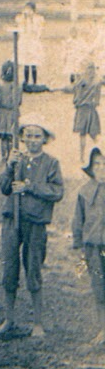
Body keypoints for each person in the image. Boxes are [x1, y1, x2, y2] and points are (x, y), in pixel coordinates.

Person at [0, 122, 63, 338]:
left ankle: (37, 322)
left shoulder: (51, 163)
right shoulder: (17, 160)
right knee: (9, 269)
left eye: (37, 136)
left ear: (44, 138)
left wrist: (30, 187)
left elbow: (57, 191)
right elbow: (5, 188)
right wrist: (8, 166)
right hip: (12, 220)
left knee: (33, 270)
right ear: (22, 138)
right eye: (28, 136)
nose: (32, 140)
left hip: (35, 223)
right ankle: (9, 319)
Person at [72, 147, 105, 345]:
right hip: (93, 247)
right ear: (91, 168)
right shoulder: (84, 191)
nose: (101, 168)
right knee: (99, 289)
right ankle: (103, 329)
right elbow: (79, 219)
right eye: (97, 165)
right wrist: (78, 242)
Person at [65, 62, 103, 165]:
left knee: (89, 134)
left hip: (85, 109)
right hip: (87, 109)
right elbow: (97, 99)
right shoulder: (94, 81)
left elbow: (76, 94)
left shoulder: (85, 81)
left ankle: (93, 155)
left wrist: (77, 101)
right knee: (87, 135)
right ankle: (85, 156)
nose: (90, 71)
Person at [15, 2, 45, 87]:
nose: (28, 11)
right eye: (26, 9)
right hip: (25, 42)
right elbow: (19, 25)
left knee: (33, 62)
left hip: (33, 42)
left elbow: (38, 30)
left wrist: (32, 20)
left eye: (30, 9)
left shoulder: (37, 19)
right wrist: (25, 18)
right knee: (26, 62)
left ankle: (34, 82)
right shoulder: (22, 19)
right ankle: (26, 81)